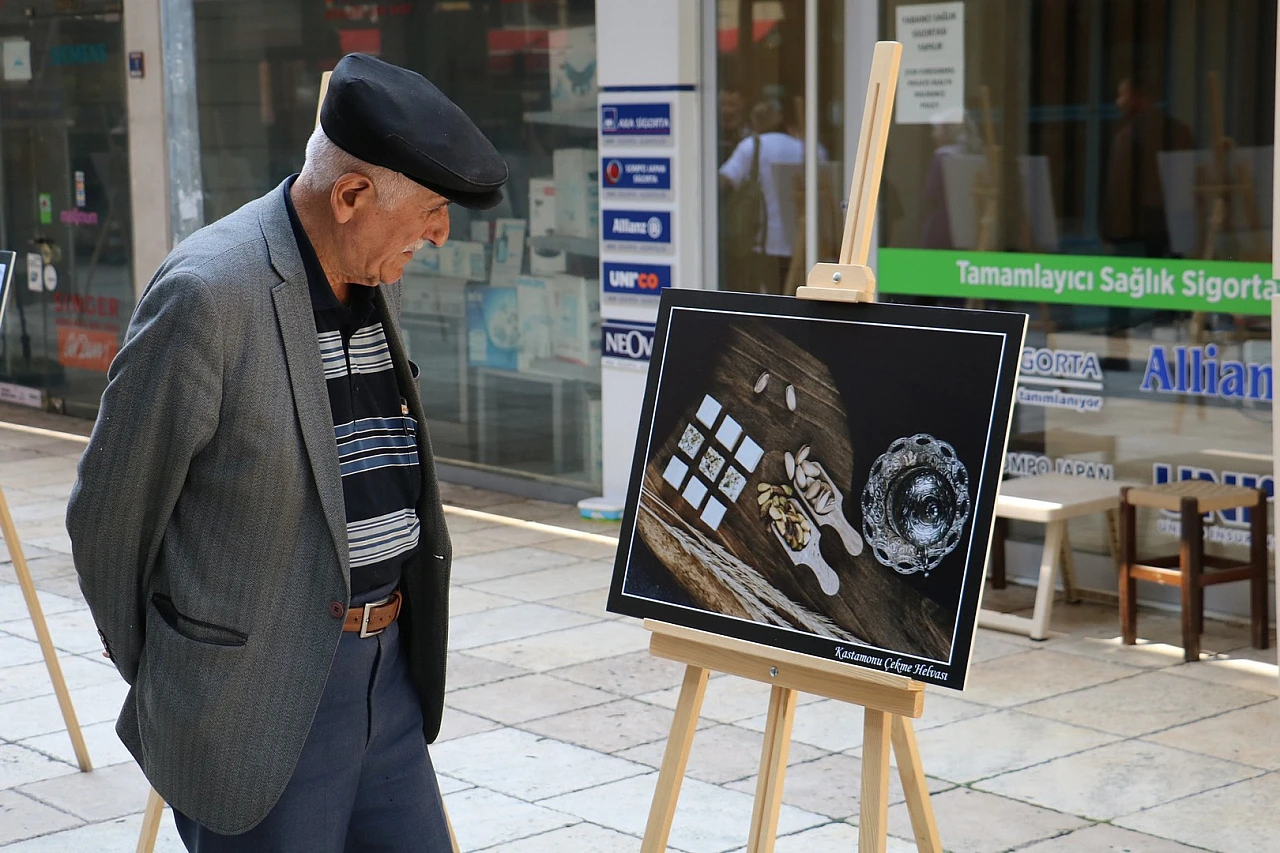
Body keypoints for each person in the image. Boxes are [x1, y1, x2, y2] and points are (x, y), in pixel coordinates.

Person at [65, 53, 507, 852]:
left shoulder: (373, 272)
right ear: (350, 196)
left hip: (390, 689)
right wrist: (190, 681)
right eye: (434, 208)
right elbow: (107, 517)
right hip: (258, 708)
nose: (440, 233)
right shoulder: (208, 293)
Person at [719, 99, 824, 294]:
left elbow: (724, 180)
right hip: (806, 243)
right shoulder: (809, 148)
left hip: (765, 244)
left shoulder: (751, 146)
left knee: (769, 303)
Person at [1102, 74, 1194, 258]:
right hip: (1177, 224)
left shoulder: (1127, 137)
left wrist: (1111, 233)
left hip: (1140, 230)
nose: (1117, 103)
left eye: (1122, 96)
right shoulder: (1181, 131)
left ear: (1137, 97)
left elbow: (1119, 189)